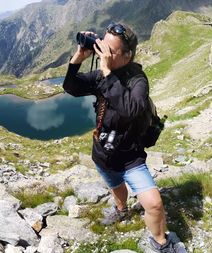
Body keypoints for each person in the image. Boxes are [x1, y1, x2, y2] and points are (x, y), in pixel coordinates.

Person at [63, 23, 185, 253]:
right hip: (103, 154)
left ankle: (161, 243)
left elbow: (131, 109)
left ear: (128, 55)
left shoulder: (138, 80)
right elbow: (71, 86)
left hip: (131, 158)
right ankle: (121, 210)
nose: (103, 52)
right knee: (118, 189)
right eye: (102, 47)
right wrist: (79, 56)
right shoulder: (101, 75)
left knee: (154, 204)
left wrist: (108, 73)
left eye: (110, 49)